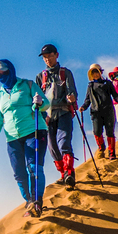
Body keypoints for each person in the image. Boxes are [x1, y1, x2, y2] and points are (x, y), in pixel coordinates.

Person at [0, 59, 49, 217]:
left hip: (34, 131)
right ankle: (29, 201)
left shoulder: (27, 85)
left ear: (11, 70)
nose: (1, 75)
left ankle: (37, 202)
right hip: (12, 139)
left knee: (34, 168)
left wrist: (38, 102)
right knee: (19, 173)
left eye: (3, 71)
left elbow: (45, 104)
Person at [38, 44, 78, 188]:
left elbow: (72, 90)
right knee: (52, 147)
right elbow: (37, 98)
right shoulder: (40, 77)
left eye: (50, 56)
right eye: (45, 57)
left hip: (64, 112)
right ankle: (63, 174)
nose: (47, 59)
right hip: (47, 117)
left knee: (63, 142)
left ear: (57, 55)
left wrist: (71, 97)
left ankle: (69, 173)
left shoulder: (65, 73)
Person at [80, 63, 118, 159]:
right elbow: (87, 100)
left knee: (110, 132)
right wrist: (83, 107)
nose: (95, 74)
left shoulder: (108, 83)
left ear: (100, 72)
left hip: (108, 110)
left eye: (96, 72)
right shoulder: (90, 86)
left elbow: (115, 94)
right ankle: (101, 147)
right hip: (96, 112)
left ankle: (111, 152)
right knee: (97, 132)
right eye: (93, 73)